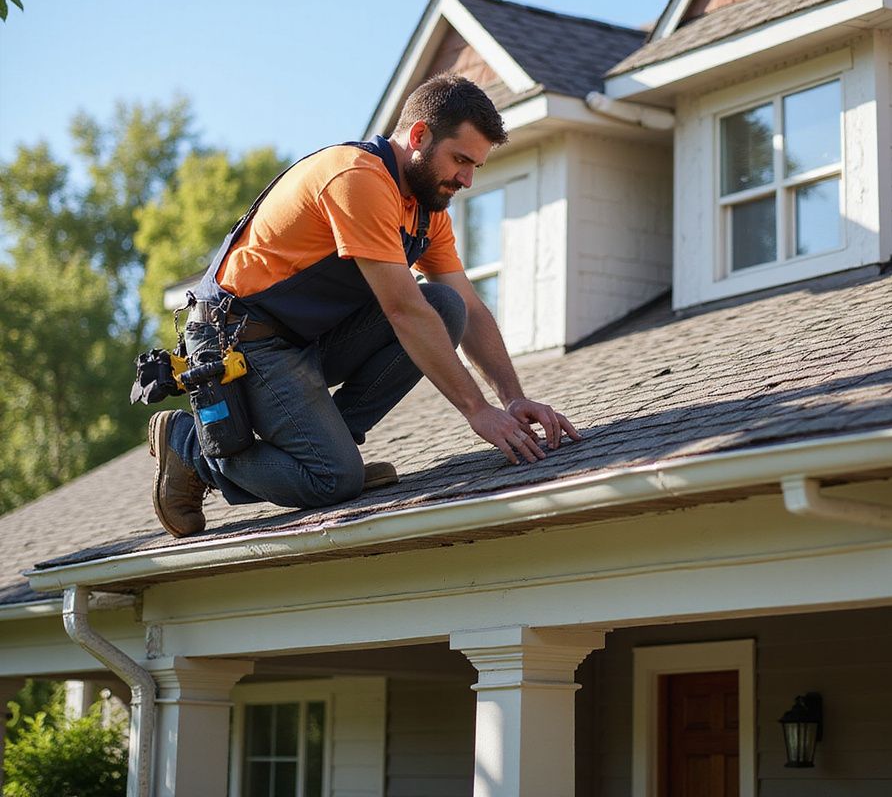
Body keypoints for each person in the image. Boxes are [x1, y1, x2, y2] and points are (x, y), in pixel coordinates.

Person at [149, 73, 580, 537]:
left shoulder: (425, 211)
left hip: (302, 339)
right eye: (460, 160)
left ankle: (330, 450)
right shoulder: (358, 178)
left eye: (475, 166)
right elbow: (403, 310)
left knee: (445, 305)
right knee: (333, 480)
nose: (468, 179)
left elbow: (469, 308)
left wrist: (512, 398)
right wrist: (477, 410)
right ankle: (190, 445)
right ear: (418, 136)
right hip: (240, 342)